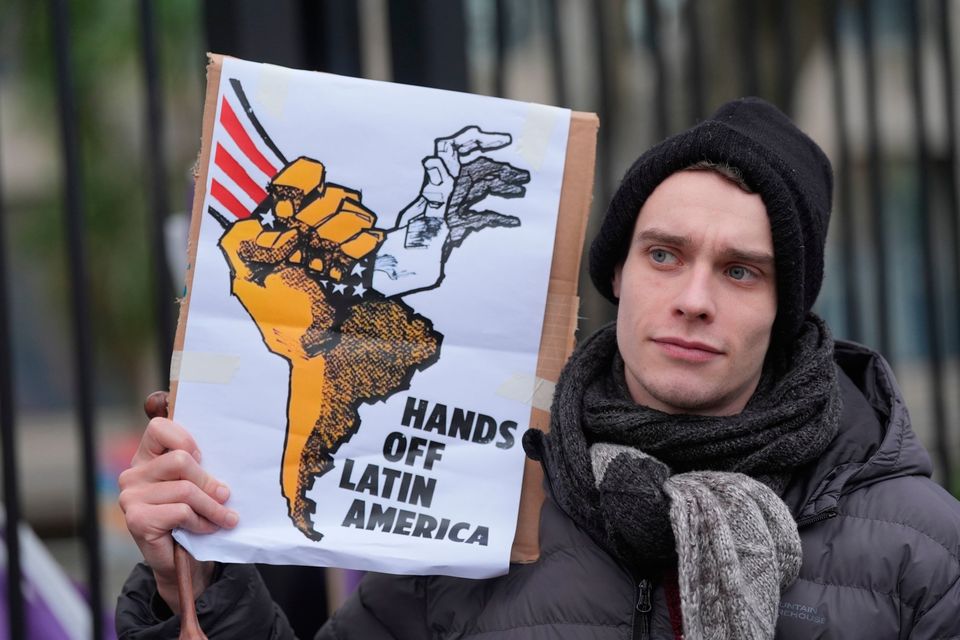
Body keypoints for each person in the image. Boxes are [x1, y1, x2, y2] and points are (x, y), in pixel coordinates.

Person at [116, 98, 960, 639]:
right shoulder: (484, 499)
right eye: (664, 255)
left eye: (742, 271)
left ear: (787, 310)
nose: (694, 298)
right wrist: (195, 585)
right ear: (618, 276)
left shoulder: (919, 546)